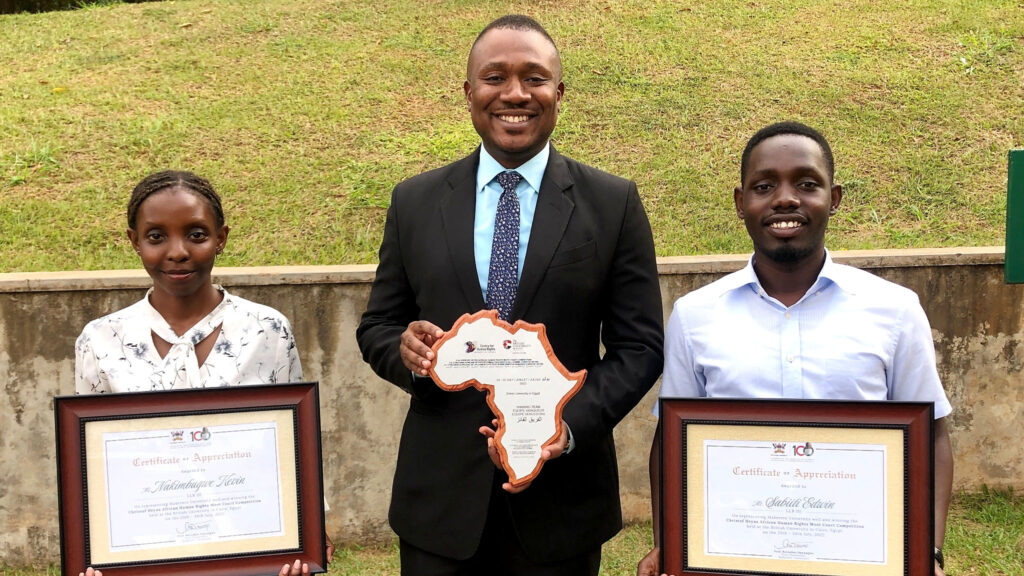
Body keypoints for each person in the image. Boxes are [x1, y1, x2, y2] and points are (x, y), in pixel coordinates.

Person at [356, 14, 664, 575]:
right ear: (469, 92)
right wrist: (407, 354)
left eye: (534, 77)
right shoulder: (415, 202)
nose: (515, 94)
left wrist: (563, 428)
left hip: (560, 502)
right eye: (495, 77)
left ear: (559, 92)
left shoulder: (612, 204)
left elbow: (639, 348)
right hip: (440, 504)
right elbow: (377, 326)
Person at [636, 122, 953, 576]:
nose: (785, 199)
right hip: (733, 556)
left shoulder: (895, 310)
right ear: (740, 203)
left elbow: (933, 437)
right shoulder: (695, 315)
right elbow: (671, 441)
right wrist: (669, 542)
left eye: (807, 184)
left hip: (862, 557)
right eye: (764, 186)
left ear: (835, 198)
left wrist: (930, 552)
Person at [75, 170, 333, 576]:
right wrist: (93, 551)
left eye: (196, 234)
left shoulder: (267, 329)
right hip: (145, 553)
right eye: (156, 236)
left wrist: (306, 536)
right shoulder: (101, 339)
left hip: (250, 548)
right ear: (134, 242)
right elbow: (92, 462)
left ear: (221, 238)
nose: (177, 251)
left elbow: (296, 444)